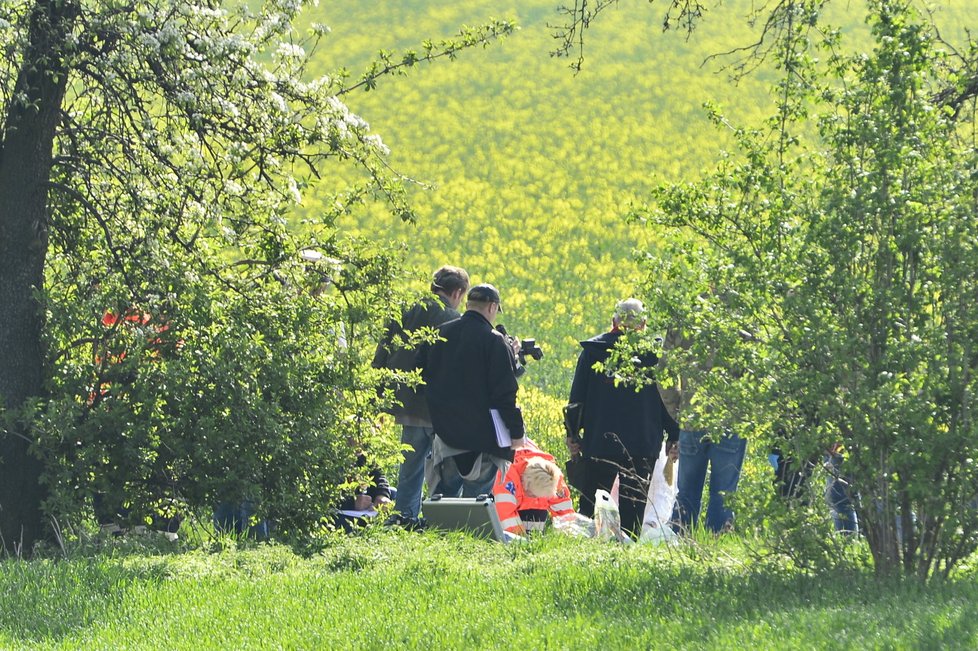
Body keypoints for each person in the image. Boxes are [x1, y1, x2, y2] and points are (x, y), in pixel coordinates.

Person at [565, 298, 679, 539]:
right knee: (633, 508)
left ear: (613, 321)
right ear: (644, 324)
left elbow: (577, 399)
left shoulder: (593, 352)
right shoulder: (655, 356)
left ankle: (587, 546)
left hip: (599, 441)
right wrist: (674, 435)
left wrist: (573, 434)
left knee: (592, 504)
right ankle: (627, 548)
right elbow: (667, 399)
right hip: (642, 443)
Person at [372, 265, 470, 523]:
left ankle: (404, 518)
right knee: (448, 467)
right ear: (458, 292)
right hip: (438, 407)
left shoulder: (403, 310)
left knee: (411, 467)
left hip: (404, 403)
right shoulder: (452, 318)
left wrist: (376, 397)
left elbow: (381, 353)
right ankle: (440, 519)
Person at [418, 283, 526, 498]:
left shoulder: (440, 334)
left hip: (446, 433)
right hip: (483, 438)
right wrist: (516, 432)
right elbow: (504, 393)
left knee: (445, 499)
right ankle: (470, 533)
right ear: (492, 307)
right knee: (477, 502)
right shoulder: (494, 340)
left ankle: (441, 532)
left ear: (467, 305)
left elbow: (421, 375)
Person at [658, 329, 747, 534]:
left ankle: (680, 543)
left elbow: (664, 371)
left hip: (692, 421)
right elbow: (755, 369)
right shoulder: (740, 313)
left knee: (686, 493)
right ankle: (715, 548)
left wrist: (678, 411)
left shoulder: (683, 315)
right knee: (724, 494)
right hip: (730, 422)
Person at [492, 442, 575, 535]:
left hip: (528, 496)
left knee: (536, 519)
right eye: (532, 494)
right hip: (503, 495)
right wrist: (519, 540)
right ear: (525, 482)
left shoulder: (553, 477)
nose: (534, 498)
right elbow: (505, 514)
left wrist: (569, 533)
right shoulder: (507, 475)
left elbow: (565, 511)